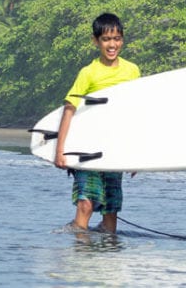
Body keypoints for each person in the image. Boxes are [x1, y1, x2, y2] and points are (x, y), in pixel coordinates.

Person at [54, 12, 141, 234]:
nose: (112, 45)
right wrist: (60, 150)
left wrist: (137, 155)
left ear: (122, 39)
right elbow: (69, 109)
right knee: (86, 203)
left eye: (117, 39)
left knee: (111, 209)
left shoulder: (132, 70)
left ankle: (108, 261)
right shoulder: (89, 72)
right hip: (87, 147)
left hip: (114, 147)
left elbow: (136, 114)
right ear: (96, 41)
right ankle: (81, 258)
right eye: (106, 39)